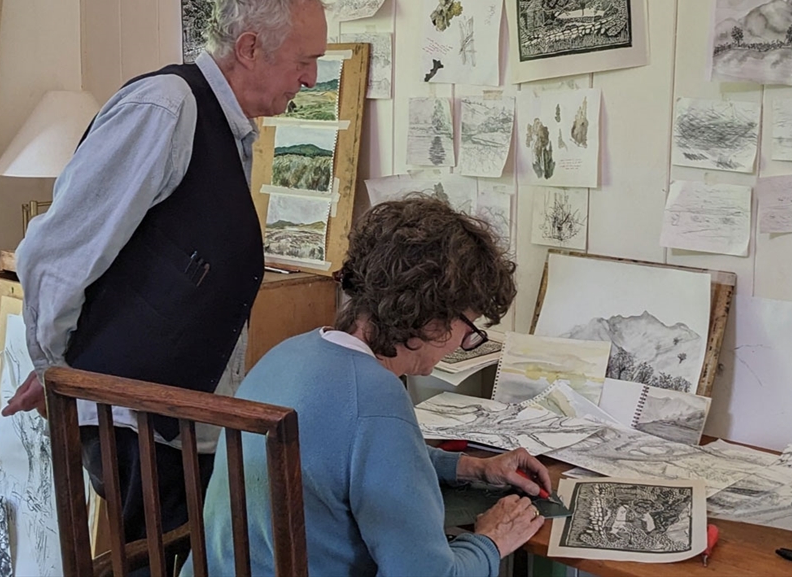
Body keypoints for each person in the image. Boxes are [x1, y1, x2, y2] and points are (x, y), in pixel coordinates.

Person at [3, 0, 329, 546]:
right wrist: (58, 374)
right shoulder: (166, 108)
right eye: (305, 61)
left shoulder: (226, 127)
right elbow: (55, 253)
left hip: (175, 420)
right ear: (251, 47)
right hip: (133, 421)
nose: (311, 79)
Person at [193, 197, 547, 576]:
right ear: (432, 315)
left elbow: (347, 461)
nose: (464, 342)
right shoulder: (377, 402)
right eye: (470, 326)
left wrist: (471, 467)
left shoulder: (286, 355)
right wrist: (490, 541)